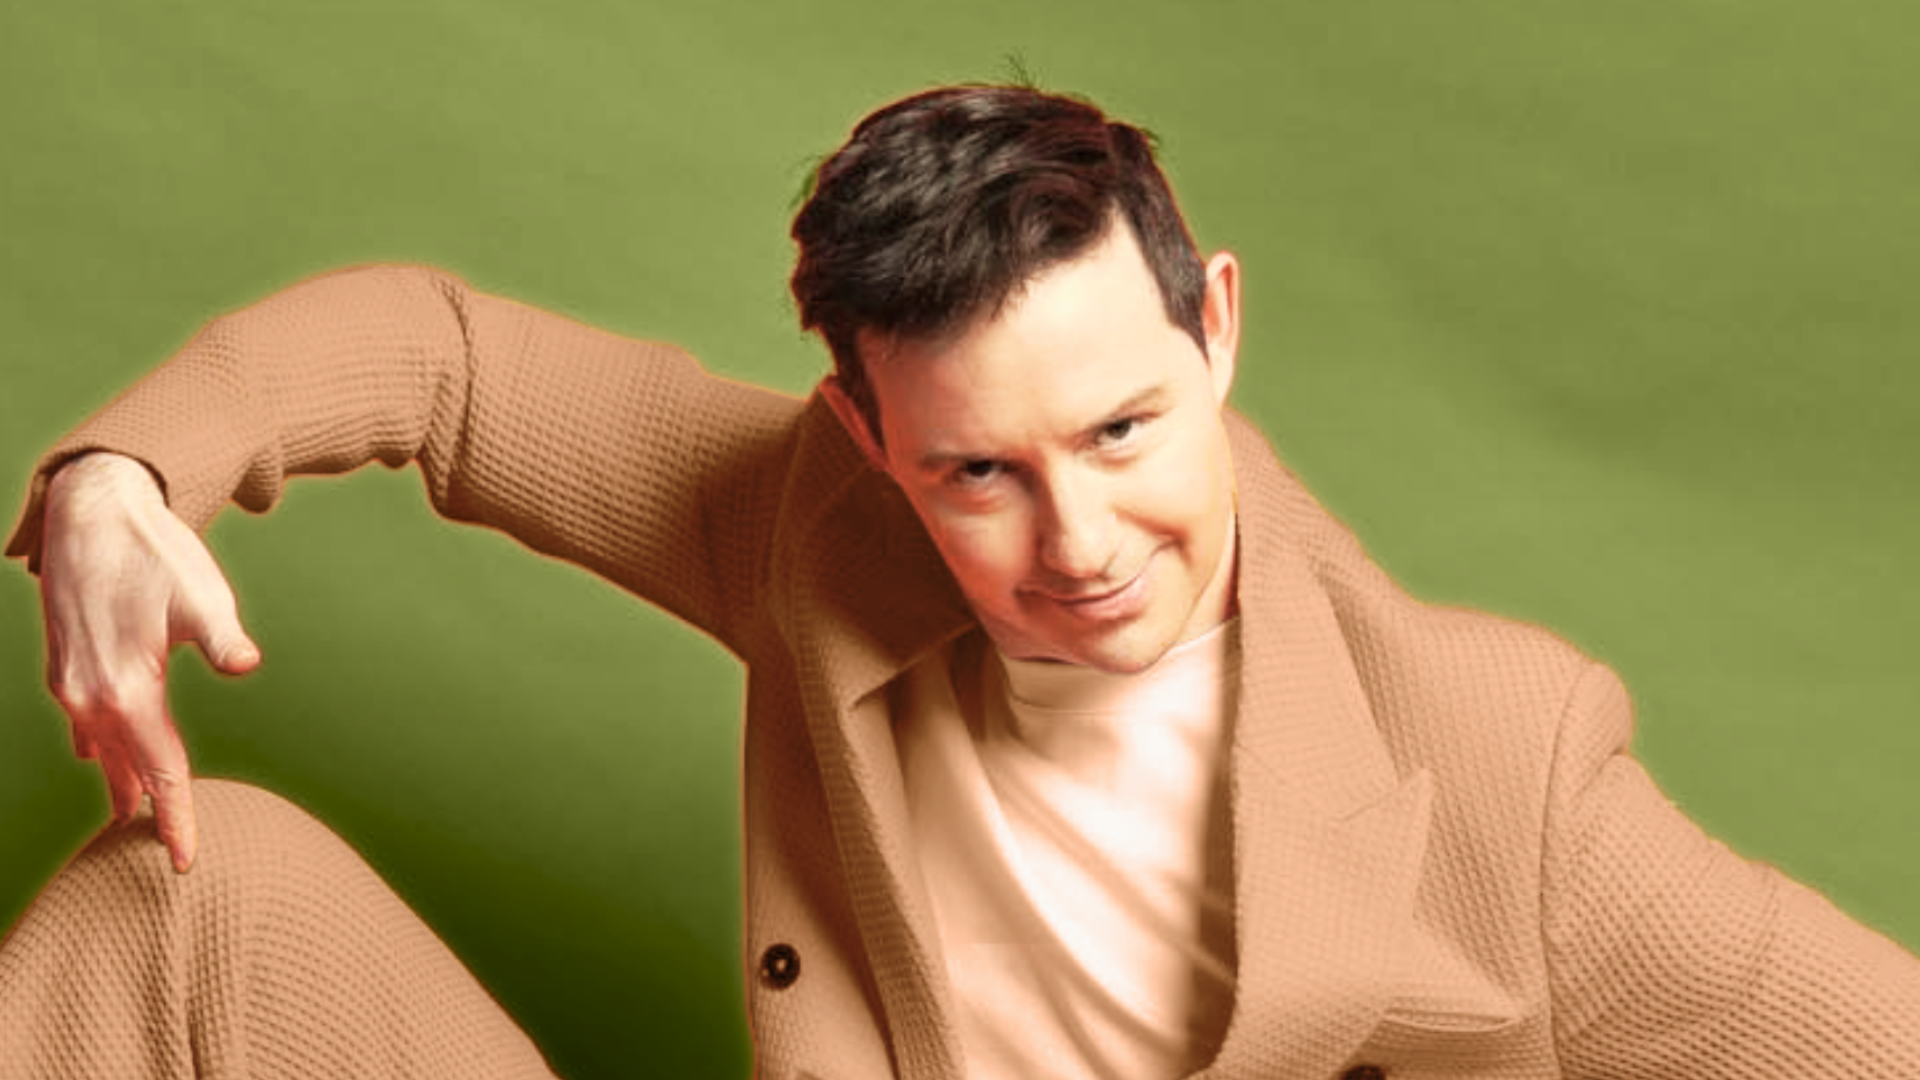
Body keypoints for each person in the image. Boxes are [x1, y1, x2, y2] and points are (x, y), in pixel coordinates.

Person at [4, 82, 1920, 1079]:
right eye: (979, 476)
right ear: (864, 440)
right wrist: (115, 475)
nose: (1079, 546)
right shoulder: (807, 531)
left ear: (1217, 328)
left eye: (1123, 434)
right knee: (201, 896)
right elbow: (442, 356)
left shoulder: (1498, 769)